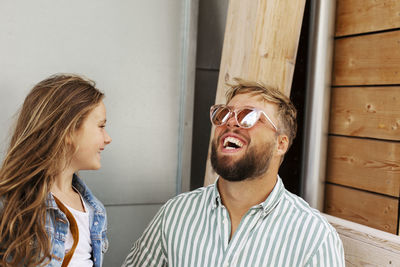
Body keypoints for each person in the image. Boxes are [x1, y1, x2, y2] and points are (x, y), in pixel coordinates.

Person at [123, 78, 345, 267]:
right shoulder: (176, 214)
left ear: (281, 144)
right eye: (224, 114)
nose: (230, 123)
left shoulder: (313, 237)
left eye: (249, 117)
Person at [0, 74, 112, 266]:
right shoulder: (10, 204)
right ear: (67, 131)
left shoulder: (95, 211)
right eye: (101, 126)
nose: (107, 138)